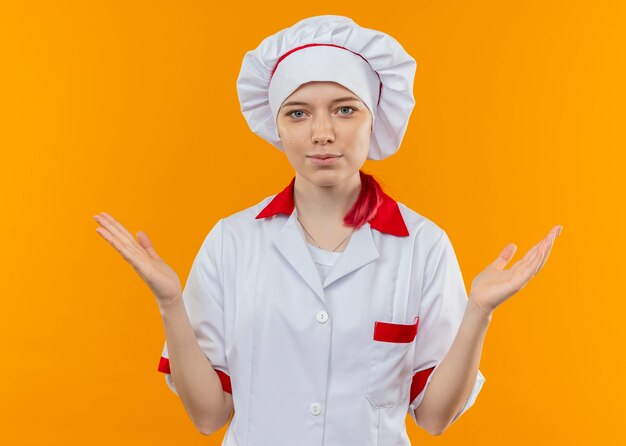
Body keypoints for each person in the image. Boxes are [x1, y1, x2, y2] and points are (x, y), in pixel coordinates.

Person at [93, 15, 562, 445]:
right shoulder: (232, 241)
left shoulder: (422, 245)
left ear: (373, 118)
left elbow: (435, 418)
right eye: (298, 113)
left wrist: (479, 310)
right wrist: (170, 304)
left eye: (344, 110)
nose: (322, 132)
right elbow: (209, 416)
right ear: (276, 125)